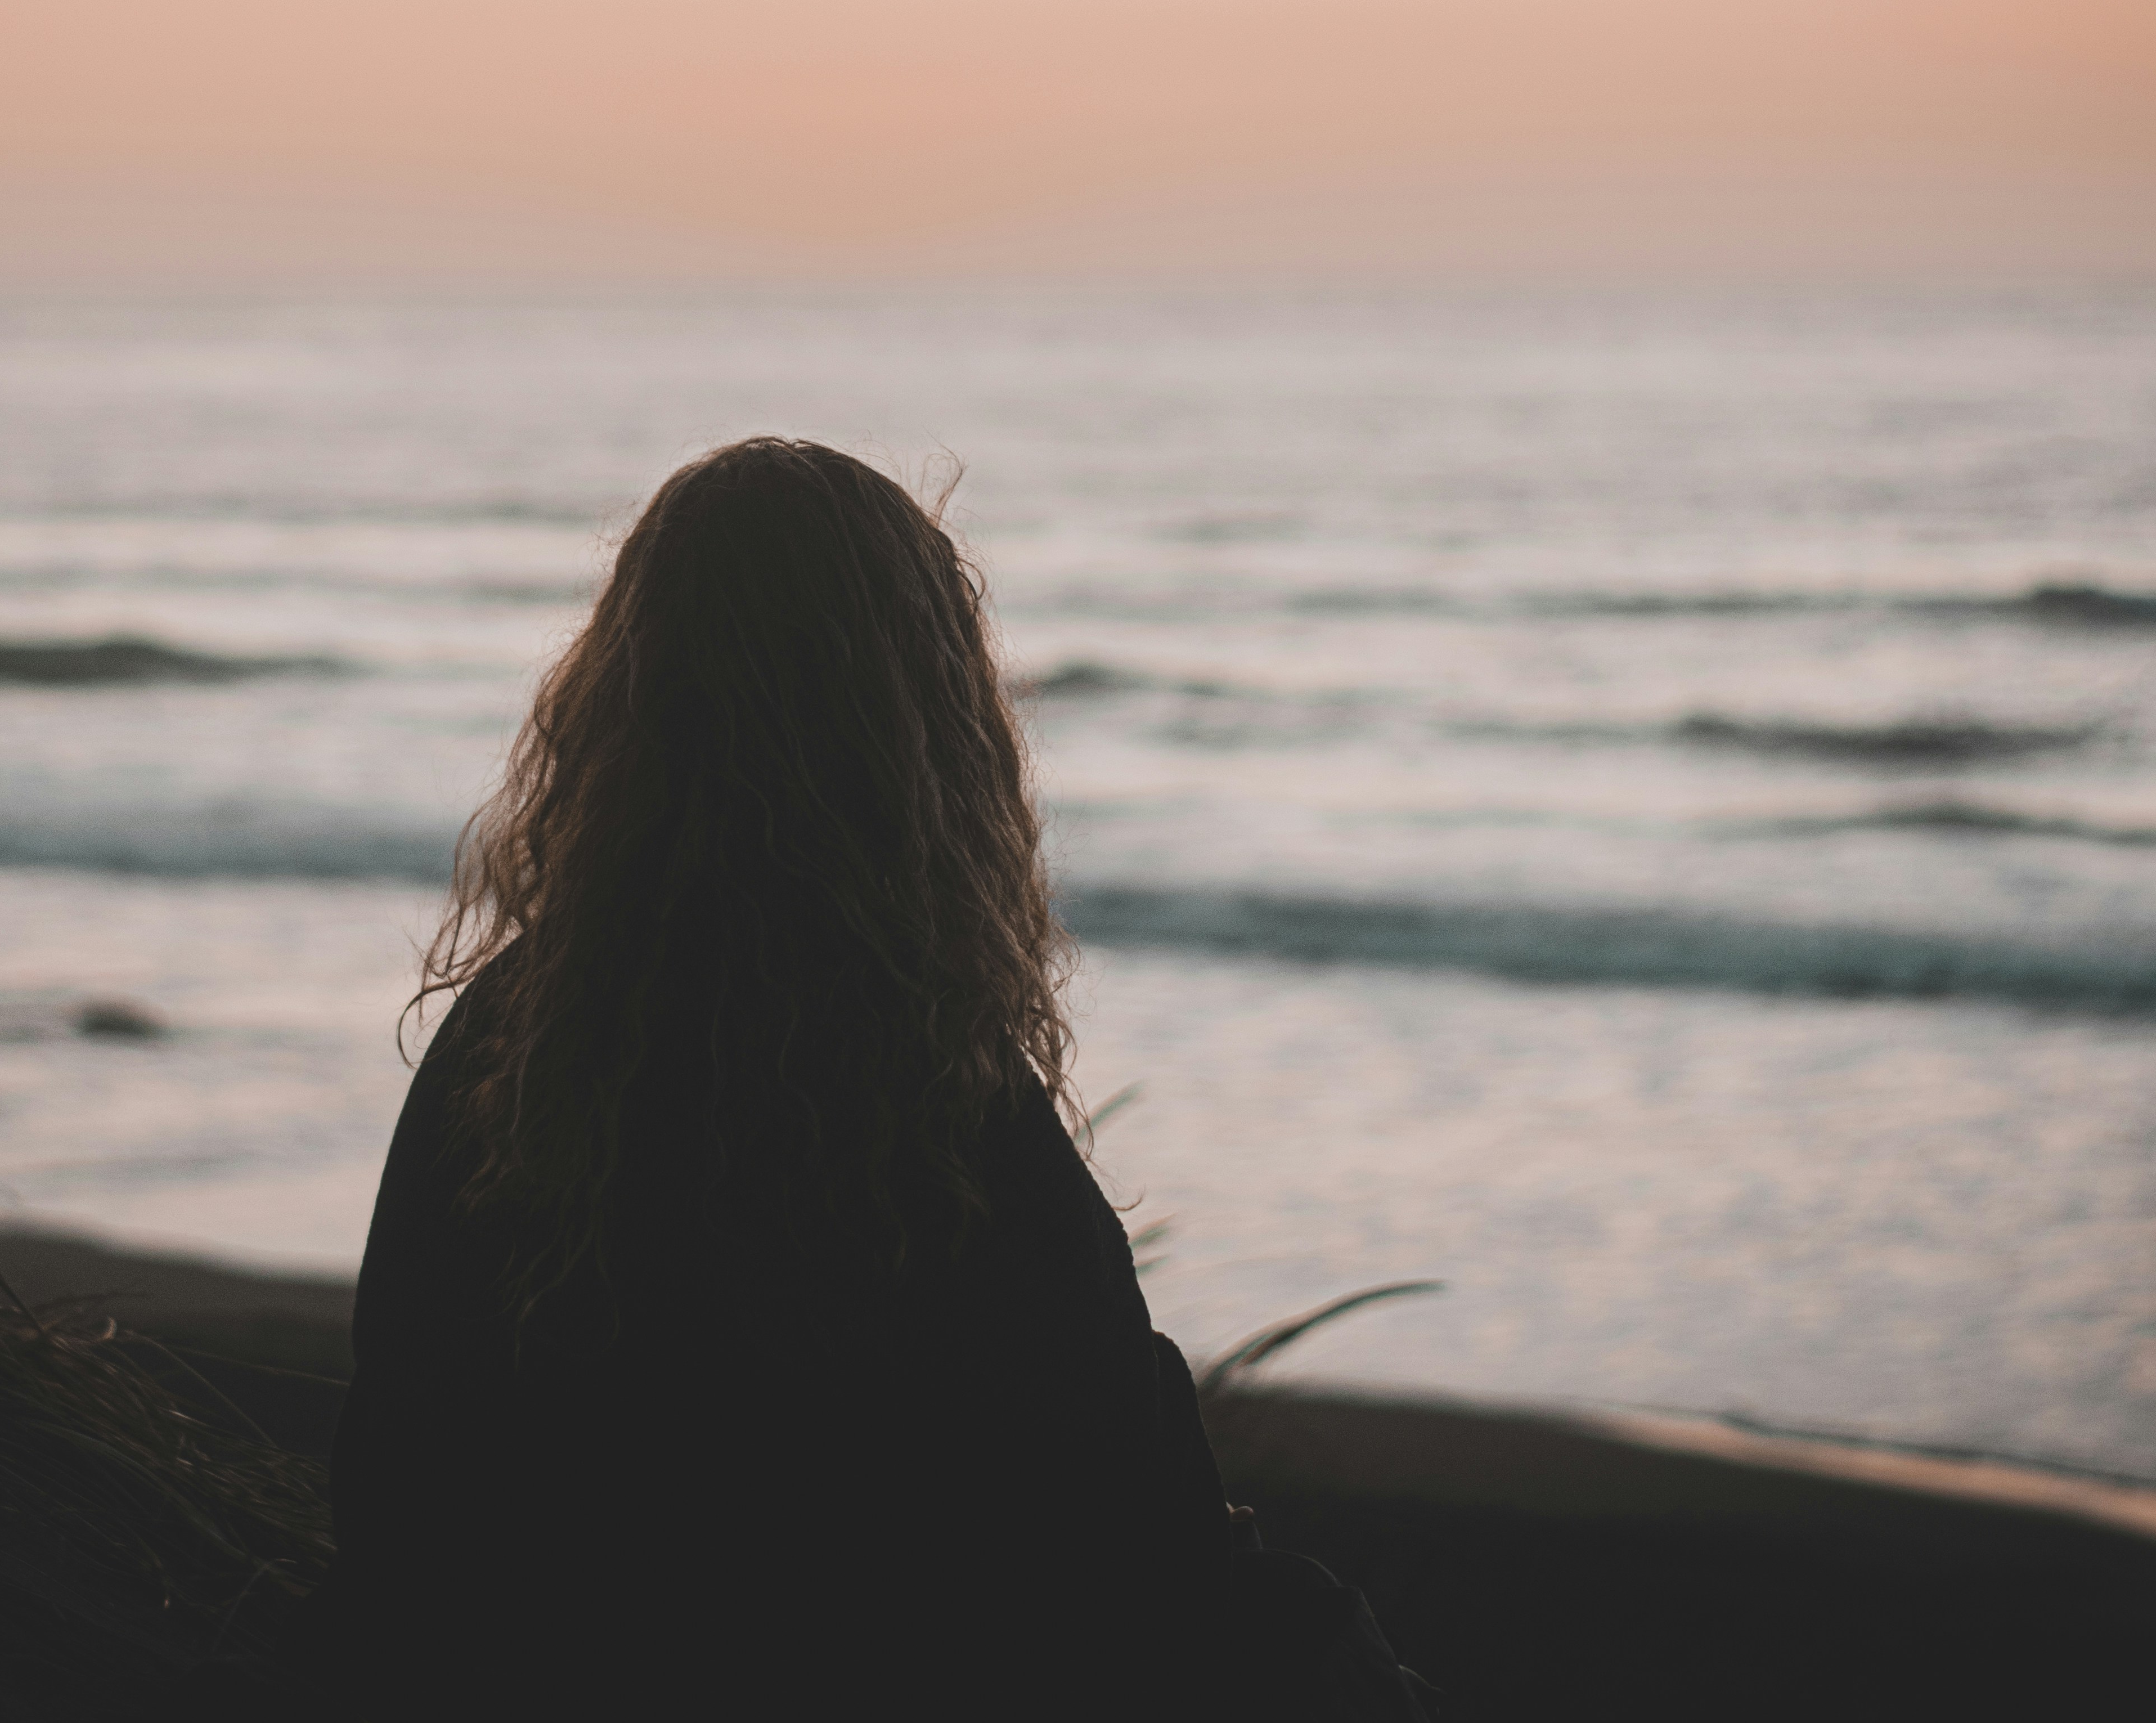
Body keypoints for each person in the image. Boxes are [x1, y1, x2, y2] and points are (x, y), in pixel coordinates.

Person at [329, 438, 1417, 1718]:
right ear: (926, 729)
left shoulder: (512, 1045)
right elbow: (1140, 1538)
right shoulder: (925, 1093)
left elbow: (390, 1471)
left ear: (627, 704)